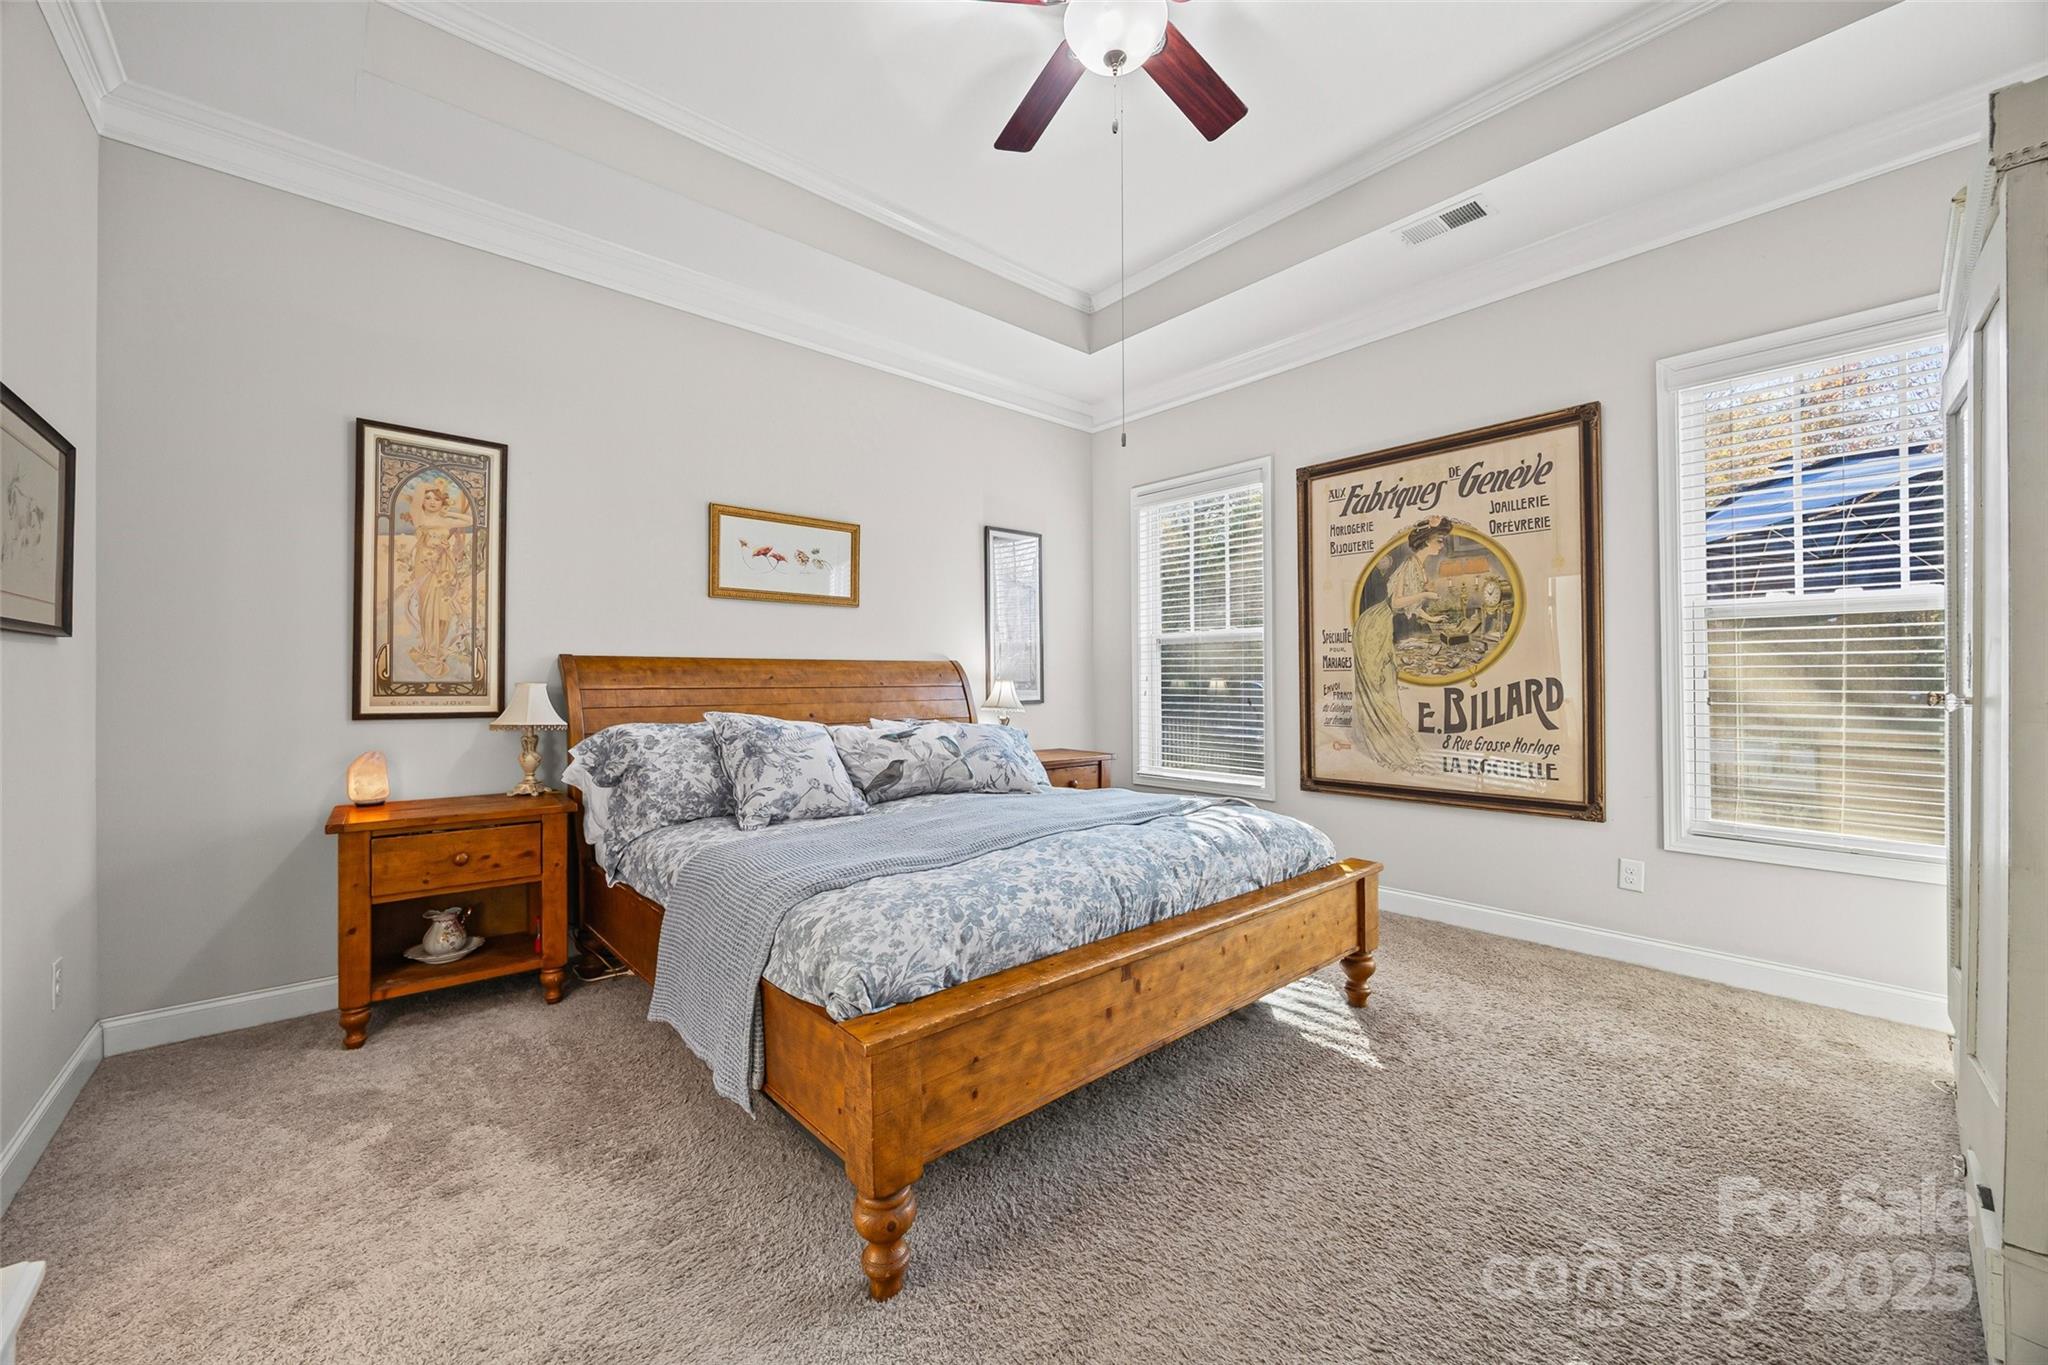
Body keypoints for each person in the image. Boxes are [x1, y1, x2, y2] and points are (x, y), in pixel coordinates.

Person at [1350, 517, 1451, 773]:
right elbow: (1396, 603)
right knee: (1375, 687)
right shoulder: (1409, 564)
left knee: (1386, 684)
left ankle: (1391, 742)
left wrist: (1431, 617)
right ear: (1426, 541)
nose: (1442, 545)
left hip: (1383, 625)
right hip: (1373, 625)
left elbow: (1411, 608)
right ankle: (1381, 745)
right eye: (1439, 540)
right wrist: (1427, 595)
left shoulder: (1419, 567)